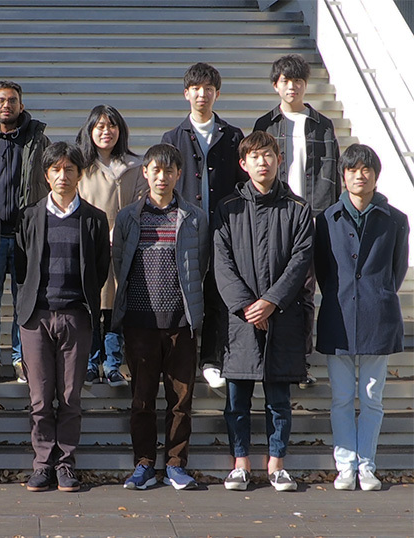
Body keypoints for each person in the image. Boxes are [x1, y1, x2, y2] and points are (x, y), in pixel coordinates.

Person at [213, 131, 314, 492]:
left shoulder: (298, 209)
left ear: (279, 159)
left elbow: (301, 260)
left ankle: (276, 464)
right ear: (243, 164)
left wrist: (271, 301)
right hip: (240, 320)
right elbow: (221, 262)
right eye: (254, 157)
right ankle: (240, 463)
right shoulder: (228, 208)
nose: (262, 162)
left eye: (268, 155)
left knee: (279, 400)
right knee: (237, 399)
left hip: (282, 316)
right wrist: (246, 305)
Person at [112, 143, 208, 491]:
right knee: (142, 400)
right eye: (156, 170)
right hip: (140, 323)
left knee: (181, 400)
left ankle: (176, 465)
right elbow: (120, 263)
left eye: (169, 170)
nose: (162, 177)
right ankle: (143, 464)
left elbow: (201, 264)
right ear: (145, 173)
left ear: (178, 174)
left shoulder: (194, 217)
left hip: (181, 323)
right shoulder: (128, 217)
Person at [15, 142, 109, 492]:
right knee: (40, 398)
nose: (62, 175)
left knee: (70, 398)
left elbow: (100, 270)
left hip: (76, 317)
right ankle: (42, 464)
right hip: (36, 319)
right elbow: (20, 268)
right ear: (46, 175)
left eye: (69, 169)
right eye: (56, 169)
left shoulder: (94, 219)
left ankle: (66, 464)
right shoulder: (30, 216)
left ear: (80, 174)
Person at [314, 144, 409, 491]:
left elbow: (397, 270)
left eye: (366, 169)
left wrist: (377, 294)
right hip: (338, 316)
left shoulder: (395, 219)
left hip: (377, 316)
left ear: (375, 175)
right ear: (343, 175)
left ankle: (367, 466)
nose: (360, 175)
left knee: (372, 397)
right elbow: (323, 270)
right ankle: (345, 466)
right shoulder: (327, 219)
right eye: (353, 169)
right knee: (341, 397)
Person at [253, 53, 341, 388]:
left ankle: (300, 359)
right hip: (274, 216)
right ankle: (265, 355)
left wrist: (323, 217)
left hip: (310, 218)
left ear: (305, 84)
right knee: (270, 284)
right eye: (286, 80)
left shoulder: (322, 124)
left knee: (304, 289)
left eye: (298, 80)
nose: (292, 86)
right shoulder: (265, 124)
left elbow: (331, 175)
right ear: (276, 85)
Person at [161, 62, 246, 389]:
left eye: (208, 89)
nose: (202, 94)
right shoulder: (172, 137)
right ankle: (179, 358)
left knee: (218, 293)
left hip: (225, 229)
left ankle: (211, 359)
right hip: (185, 229)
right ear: (186, 93)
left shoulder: (233, 136)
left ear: (217, 94)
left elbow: (242, 185)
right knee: (183, 292)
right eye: (196, 89)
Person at [0, 80, 50, 384]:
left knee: (23, 302)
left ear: (21, 106)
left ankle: (20, 357)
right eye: (1, 100)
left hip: (25, 235)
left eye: (12, 100)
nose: (7, 105)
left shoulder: (39, 141)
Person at [76, 104, 146, 387]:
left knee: (116, 308)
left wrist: (120, 229)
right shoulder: (81, 167)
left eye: (112, 125)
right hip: (90, 245)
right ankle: (91, 363)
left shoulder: (134, 166)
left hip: (123, 245)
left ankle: (113, 364)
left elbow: (140, 204)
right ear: (90, 130)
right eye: (100, 126)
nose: (107, 132)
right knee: (92, 306)